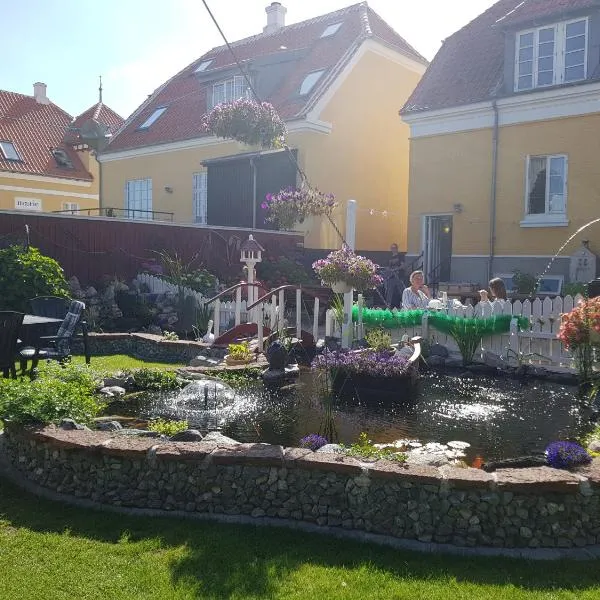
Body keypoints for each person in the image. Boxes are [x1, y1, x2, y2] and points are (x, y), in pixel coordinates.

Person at [384, 243, 406, 308]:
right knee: (389, 292)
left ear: (397, 248)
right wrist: (389, 270)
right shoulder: (389, 257)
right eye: (392, 248)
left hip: (399, 276)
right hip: (391, 277)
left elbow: (403, 266)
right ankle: (388, 306)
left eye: (394, 248)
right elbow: (387, 267)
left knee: (402, 291)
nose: (393, 249)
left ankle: (405, 305)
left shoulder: (400, 256)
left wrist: (396, 269)